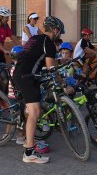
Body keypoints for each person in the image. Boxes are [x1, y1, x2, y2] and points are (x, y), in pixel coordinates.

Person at [13, 16, 65, 164]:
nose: (59, 35)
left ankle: (26, 138)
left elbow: (32, 57)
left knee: (32, 110)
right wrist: (62, 81)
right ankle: (29, 152)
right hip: (26, 77)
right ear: (55, 30)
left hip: (22, 74)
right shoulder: (48, 43)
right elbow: (51, 67)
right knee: (35, 112)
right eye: (59, 32)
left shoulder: (35, 39)